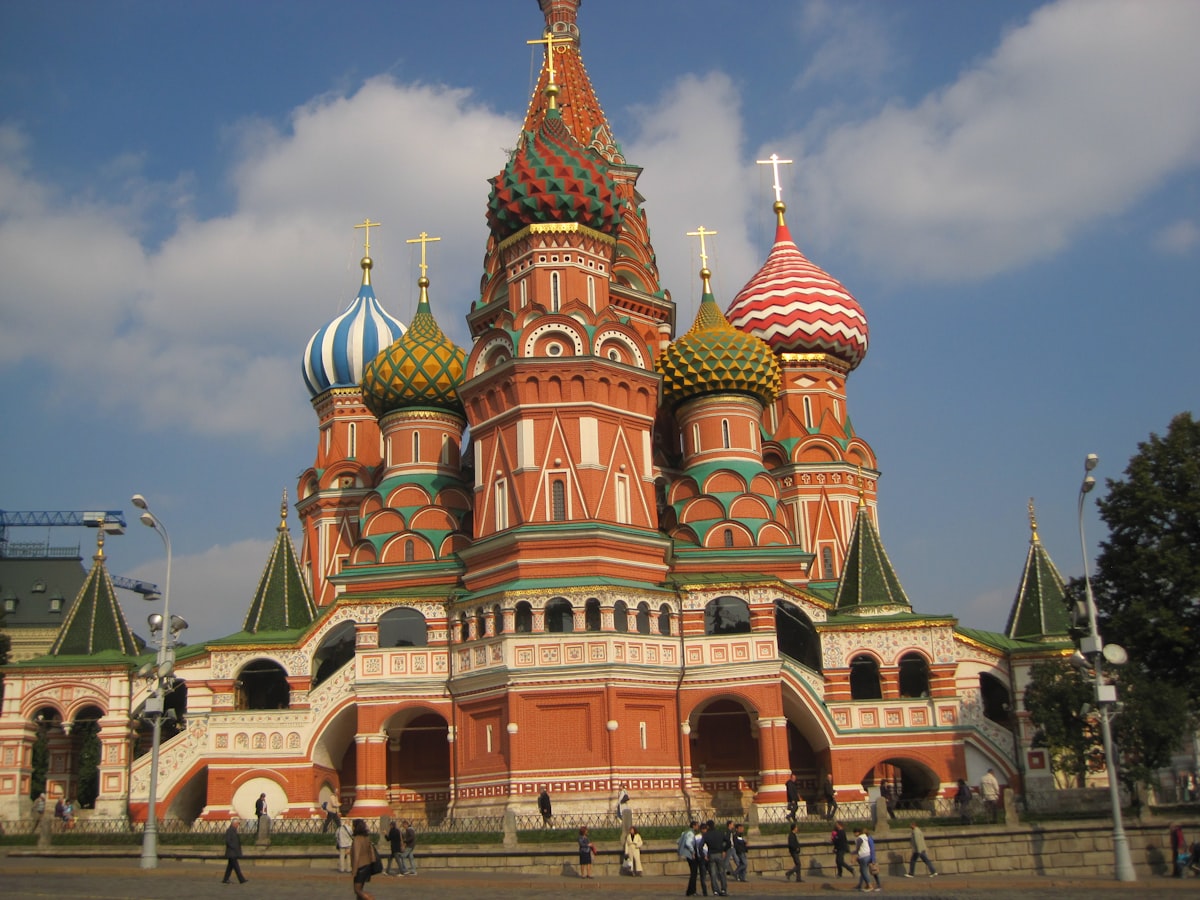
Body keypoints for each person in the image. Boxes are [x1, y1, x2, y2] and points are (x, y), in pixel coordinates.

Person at [350, 818, 376, 900]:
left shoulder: (357, 839)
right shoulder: (366, 837)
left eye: (353, 826)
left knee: (357, 890)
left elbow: (357, 856)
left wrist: (354, 871)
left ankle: (370, 898)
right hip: (367, 865)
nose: (352, 827)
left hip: (360, 867)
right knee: (360, 890)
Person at [703, 818, 728, 896]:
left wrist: (704, 855)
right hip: (719, 853)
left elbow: (700, 846)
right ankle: (723, 890)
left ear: (707, 826)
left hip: (711, 855)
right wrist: (724, 850)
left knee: (713, 874)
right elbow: (728, 841)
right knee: (722, 872)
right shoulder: (720, 833)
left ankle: (715, 891)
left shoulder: (706, 835)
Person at [222, 816, 248, 884]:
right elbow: (228, 841)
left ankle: (225, 879)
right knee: (236, 867)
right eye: (237, 824)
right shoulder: (230, 830)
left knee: (230, 867)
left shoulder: (234, 830)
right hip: (231, 852)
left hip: (233, 852)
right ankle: (241, 879)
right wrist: (233, 847)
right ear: (234, 824)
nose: (237, 825)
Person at [678, 820, 701, 896]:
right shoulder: (691, 833)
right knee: (694, 874)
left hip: (688, 855)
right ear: (693, 826)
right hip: (691, 855)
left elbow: (678, 841)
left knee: (693, 873)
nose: (698, 827)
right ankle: (692, 891)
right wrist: (693, 852)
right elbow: (688, 843)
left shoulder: (685, 832)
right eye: (697, 825)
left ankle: (690, 891)